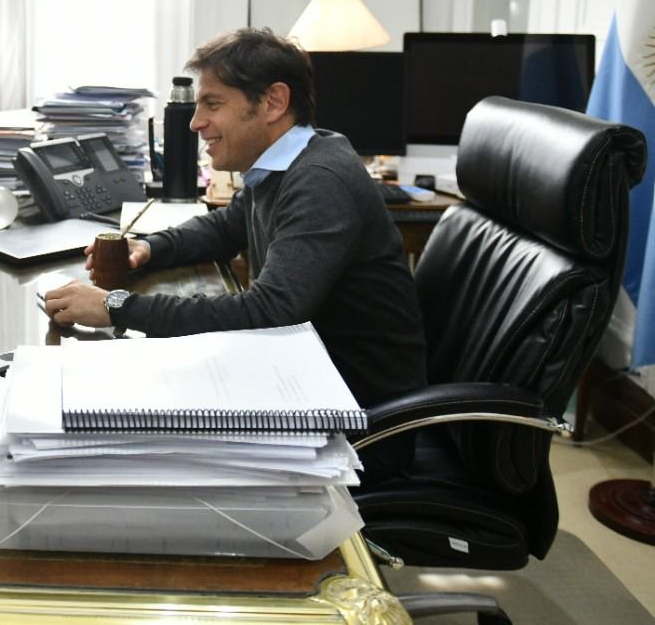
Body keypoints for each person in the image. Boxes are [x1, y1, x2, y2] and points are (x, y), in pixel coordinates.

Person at [43, 28, 426, 483]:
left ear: (273, 102)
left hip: (359, 426)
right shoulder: (287, 162)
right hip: (306, 380)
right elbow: (228, 226)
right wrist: (148, 247)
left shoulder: (321, 179)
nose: (195, 123)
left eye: (212, 104)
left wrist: (115, 306)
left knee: (139, 448)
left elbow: (271, 310)